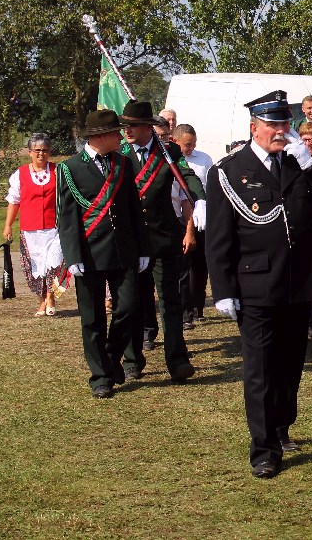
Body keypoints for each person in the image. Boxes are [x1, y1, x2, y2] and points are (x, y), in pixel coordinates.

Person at [205, 90, 312, 478]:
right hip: (255, 284)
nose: (280, 132)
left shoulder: (300, 163)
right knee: (261, 368)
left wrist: (311, 164)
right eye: (273, 125)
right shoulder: (229, 170)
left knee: (290, 364)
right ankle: (264, 447)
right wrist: (224, 289)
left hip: (299, 281)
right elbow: (219, 235)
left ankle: (281, 425)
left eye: (285, 124)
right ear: (254, 127)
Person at [56, 110, 149, 398]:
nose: (121, 136)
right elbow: (67, 216)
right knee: (92, 318)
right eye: (115, 132)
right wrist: (73, 257)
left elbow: (134, 209)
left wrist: (142, 248)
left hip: (123, 250)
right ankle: (100, 377)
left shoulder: (122, 163)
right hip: (90, 252)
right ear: (99, 137)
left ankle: (108, 359)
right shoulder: (70, 168)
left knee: (130, 307)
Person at [119, 101, 206, 382]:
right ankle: (132, 359)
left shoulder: (167, 152)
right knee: (133, 302)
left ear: (147, 127)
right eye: (125, 125)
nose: (127, 130)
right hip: (132, 240)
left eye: (133, 125)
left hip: (164, 238)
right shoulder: (119, 155)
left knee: (170, 302)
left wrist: (199, 198)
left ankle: (177, 360)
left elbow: (187, 176)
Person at [3, 133, 68, 316]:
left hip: (54, 228)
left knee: (53, 264)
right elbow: (14, 201)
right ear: (30, 152)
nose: (41, 154)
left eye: (45, 150)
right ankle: (41, 301)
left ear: (50, 152)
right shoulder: (20, 174)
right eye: (37, 150)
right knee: (34, 268)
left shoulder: (59, 171)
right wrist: (8, 225)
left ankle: (50, 297)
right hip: (30, 229)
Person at [173, 124, 213, 329]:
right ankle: (185, 310)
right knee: (183, 266)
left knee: (200, 265)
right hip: (181, 217)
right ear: (176, 141)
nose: (191, 148)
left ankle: (198, 306)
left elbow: (210, 186)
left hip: (201, 217)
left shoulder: (204, 159)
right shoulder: (171, 161)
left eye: (193, 144)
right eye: (187, 145)